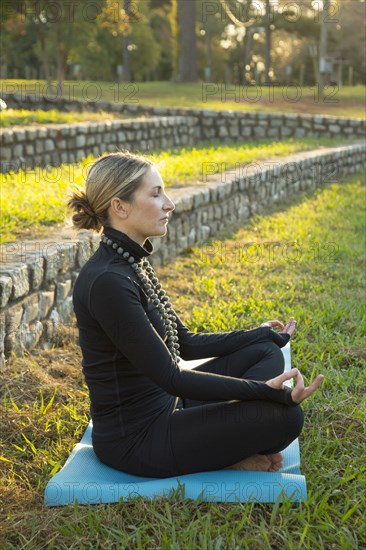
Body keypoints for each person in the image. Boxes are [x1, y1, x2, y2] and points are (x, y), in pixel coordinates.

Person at [68, 151, 324, 478]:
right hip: (137, 440)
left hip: (172, 403)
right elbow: (171, 376)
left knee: (264, 352)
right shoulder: (108, 282)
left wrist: (261, 333)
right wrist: (269, 391)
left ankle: (220, 441)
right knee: (287, 417)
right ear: (120, 206)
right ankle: (226, 452)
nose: (169, 204)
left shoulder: (131, 261)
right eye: (156, 193)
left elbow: (185, 343)